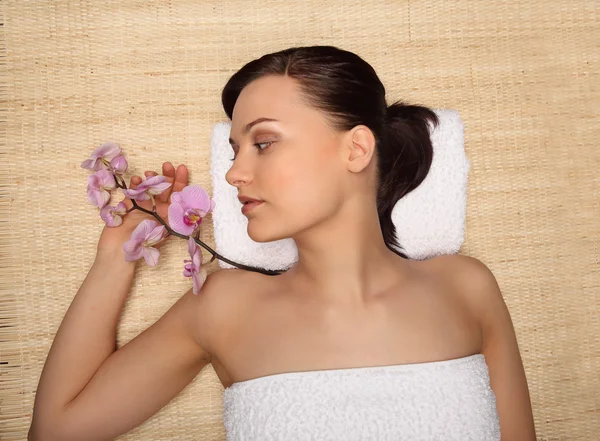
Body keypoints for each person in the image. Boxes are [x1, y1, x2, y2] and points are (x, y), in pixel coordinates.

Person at [29, 46, 536, 440]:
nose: (233, 173)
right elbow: (57, 429)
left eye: (263, 143)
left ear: (356, 148)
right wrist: (120, 248)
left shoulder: (466, 287)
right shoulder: (223, 306)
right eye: (234, 149)